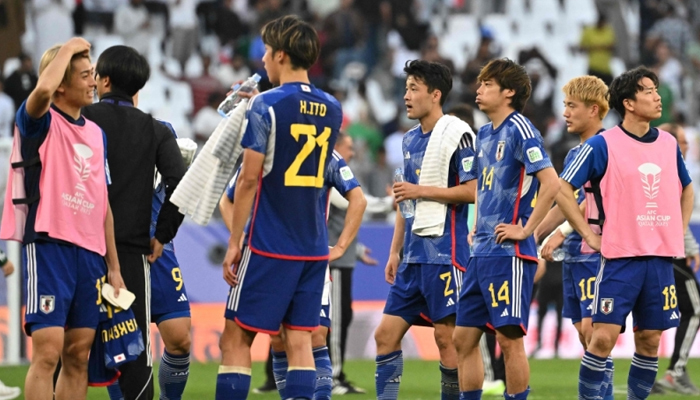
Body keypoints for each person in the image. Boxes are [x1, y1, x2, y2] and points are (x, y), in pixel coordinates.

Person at [216, 15, 343, 400]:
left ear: (282, 55)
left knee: (236, 337)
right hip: (312, 246)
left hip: (270, 241)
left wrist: (235, 241)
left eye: (268, 53)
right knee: (299, 340)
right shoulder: (333, 107)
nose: (264, 61)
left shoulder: (266, 105)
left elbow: (250, 179)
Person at [0, 37, 125, 400]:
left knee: (78, 355)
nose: (93, 82)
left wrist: (113, 266)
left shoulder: (97, 133)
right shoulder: (40, 121)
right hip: (49, 245)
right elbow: (41, 90)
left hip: (90, 255)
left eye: (93, 74)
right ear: (61, 86)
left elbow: (101, 202)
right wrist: (68, 48)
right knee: (48, 351)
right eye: (85, 75)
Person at [557, 66, 693, 400]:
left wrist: (676, 227)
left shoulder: (668, 143)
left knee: (650, 341)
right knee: (601, 338)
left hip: (659, 259)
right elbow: (561, 189)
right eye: (648, 91)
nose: (657, 96)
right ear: (629, 103)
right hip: (619, 259)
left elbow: (687, 189)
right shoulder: (602, 145)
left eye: (656, 89)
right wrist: (589, 236)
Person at [221, 131, 367, 400]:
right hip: (275, 254)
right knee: (279, 338)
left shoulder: (325, 155)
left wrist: (342, 246)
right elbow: (228, 198)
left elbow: (359, 199)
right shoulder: (263, 151)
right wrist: (239, 238)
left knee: (312, 337)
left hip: (303, 257)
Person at [82, 45, 186, 400]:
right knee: (133, 352)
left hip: (79, 247)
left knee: (72, 349)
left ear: (104, 80)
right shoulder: (155, 129)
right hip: (130, 253)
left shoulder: (79, 119)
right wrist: (162, 234)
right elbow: (181, 183)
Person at [454, 57, 560, 400]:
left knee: (508, 338)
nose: (479, 88)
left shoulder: (521, 129)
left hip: (509, 253)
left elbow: (551, 182)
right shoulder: (482, 134)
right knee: (463, 339)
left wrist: (527, 230)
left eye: (487, 84)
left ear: (509, 92)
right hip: (480, 251)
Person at [374, 59, 476, 400]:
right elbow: (406, 198)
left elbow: (473, 190)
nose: (406, 96)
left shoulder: (457, 134)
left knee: (448, 339)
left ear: (435, 94)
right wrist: (394, 250)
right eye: (406, 89)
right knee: (385, 336)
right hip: (413, 258)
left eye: (414, 88)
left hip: (445, 254)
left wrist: (422, 191)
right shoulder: (408, 141)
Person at [534, 75, 613, 399]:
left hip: (598, 249)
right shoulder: (575, 152)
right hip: (576, 252)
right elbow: (565, 202)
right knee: (584, 333)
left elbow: (584, 202)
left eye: (571, 106)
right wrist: (534, 233)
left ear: (593, 110)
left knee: (596, 334)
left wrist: (558, 232)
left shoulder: (608, 148)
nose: (564, 112)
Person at [328, 132, 388, 395]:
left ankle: (334, 374)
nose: (351, 153)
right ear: (337, 147)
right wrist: (391, 201)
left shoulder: (338, 174)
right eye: (348, 148)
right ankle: (332, 376)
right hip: (335, 261)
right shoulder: (330, 173)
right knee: (336, 319)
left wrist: (358, 248)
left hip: (344, 257)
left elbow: (341, 218)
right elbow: (357, 202)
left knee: (342, 316)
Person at [652, 122, 700, 396]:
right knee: (695, 309)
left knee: (655, 315)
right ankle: (675, 372)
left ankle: (668, 371)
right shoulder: (670, 171)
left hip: (659, 251)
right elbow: (676, 215)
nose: (686, 146)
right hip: (671, 253)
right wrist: (689, 247)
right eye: (682, 141)